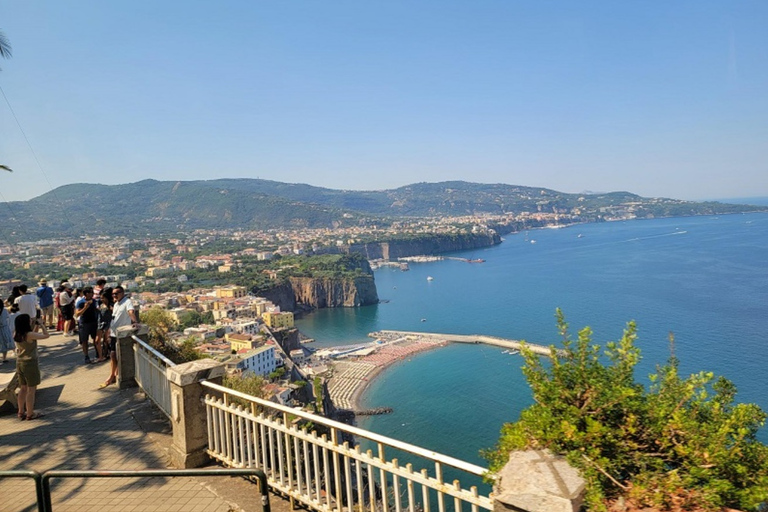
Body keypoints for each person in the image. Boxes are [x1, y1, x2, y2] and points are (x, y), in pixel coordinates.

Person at [14, 313, 49, 420]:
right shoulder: (29, 334)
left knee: (23, 389)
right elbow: (46, 335)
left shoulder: (17, 334)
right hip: (30, 363)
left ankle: (21, 411)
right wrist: (42, 324)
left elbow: (34, 334)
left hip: (20, 362)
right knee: (31, 390)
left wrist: (36, 324)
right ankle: (30, 413)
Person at [101, 286, 137, 388]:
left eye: (116, 293)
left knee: (116, 355)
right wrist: (109, 331)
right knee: (113, 355)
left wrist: (134, 321)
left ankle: (113, 375)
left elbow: (131, 312)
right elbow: (114, 318)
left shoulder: (127, 301)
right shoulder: (116, 304)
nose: (114, 295)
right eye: (113, 294)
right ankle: (113, 374)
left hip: (122, 334)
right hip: (113, 333)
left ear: (122, 293)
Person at [75, 286, 99, 364]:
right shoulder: (81, 302)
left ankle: (98, 354)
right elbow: (77, 314)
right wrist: (85, 308)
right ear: (87, 294)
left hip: (94, 322)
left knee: (95, 339)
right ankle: (86, 356)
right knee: (84, 341)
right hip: (84, 323)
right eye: (91, 292)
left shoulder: (94, 301)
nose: (93, 294)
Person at [95, 287, 113, 362]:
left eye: (103, 298)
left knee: (106, 341)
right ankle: (100, 356)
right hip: (100, 323)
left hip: (108, 323)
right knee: (97, 340)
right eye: (101, 298)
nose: (101, 299)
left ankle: (104, 355)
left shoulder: (111, 305)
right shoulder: (100, 303)